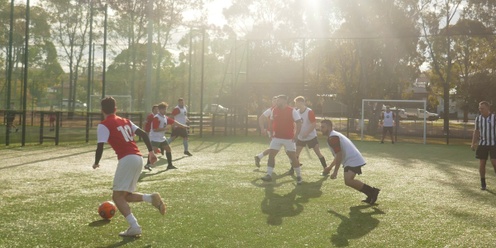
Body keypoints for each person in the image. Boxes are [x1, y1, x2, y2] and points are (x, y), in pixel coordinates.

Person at [92, 96, 166, 237]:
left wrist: (96, 162)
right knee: (125, 196)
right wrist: (151, 152)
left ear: (102, 110)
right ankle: (151, 198)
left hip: (127, 159)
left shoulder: (104, 124)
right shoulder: (125, 120)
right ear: (116, 108)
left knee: (117, 196)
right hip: (138, 158)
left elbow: (100, 146)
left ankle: (134, 226)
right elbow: (144, 134)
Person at [320, 119, 380, 204]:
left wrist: (335, 171)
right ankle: (371, 194)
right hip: (351, 160)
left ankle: (372, 192)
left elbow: (339, 154)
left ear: (329, 127)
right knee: (348, 181)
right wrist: (330, 167)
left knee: (348, 180)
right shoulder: (333, 136)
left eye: (323, 127)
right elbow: (337, 155)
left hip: (352, 160)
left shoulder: (333, 138)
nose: (321, 129)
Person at [261, 94, 303, 185]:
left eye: (278, 100)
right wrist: (271, 134)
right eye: (276, 101)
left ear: (284, 101)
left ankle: (299, 176)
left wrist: (296, 135)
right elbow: (271, 122)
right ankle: (269, 175)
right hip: (277, 138)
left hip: (289, 139)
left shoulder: (292, 111)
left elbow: (299, 123)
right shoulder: (274, 110)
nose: (277, 102)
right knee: (271, 155)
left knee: (293, 157)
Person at [293, 96, 327, 175]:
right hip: (301, 137)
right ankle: (292, 169)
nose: (295, 104)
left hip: (311, 137)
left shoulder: (309, 111)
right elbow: (295, 124)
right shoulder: (296, 112)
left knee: (318, 152)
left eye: (296, 103)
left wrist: (307, 133)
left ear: (301, 102)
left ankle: (325, 169)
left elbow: (313, 124)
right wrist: (295, 134)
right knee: (296, 153)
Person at [150, 102, 188, 170]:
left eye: (165, 109)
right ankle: (147, 164)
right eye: (163, 109)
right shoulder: (156, 118)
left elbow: (174, 122)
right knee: (153, 152)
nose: (165, 111)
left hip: (161, 137)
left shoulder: (165, 117)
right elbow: (155, 129)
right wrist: (165, 128)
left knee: (168, 149)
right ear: (159, 110)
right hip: (155, 137)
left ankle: (170, 165)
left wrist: (183, 126)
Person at [471, 101, 496, 190]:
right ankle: (483, 183)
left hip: (494, 143)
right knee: (482, 164)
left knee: (494, 162)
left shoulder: (494, 117)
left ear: (488, 108)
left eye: (482, 108)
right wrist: (473, 143)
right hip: (483, 143)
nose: (480, 110)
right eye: (480, 108)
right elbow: (476, 131)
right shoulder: (478, 119)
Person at [254, 96, 278, 167]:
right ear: (272, 102)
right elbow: (261, 118)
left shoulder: (282, 109)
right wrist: (262, 129)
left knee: (275, 147)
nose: (276, 103)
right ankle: (294, 163)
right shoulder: (270, 110)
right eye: (274, 101)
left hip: (280, 131)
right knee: (274, 148)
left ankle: (259, 157)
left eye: (277, 101)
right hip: (272, 131)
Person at [144, 104, 159, 171]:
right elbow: (145, 123)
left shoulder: (156, 116)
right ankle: (148, 164)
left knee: (152, 148)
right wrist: (145, 132)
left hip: (153, 134)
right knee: (151, 149)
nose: (157, 110)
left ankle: (148, 163)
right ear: (153, 110)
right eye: (155, 109)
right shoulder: (151, 116)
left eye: (157, 109)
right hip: (149, 133)